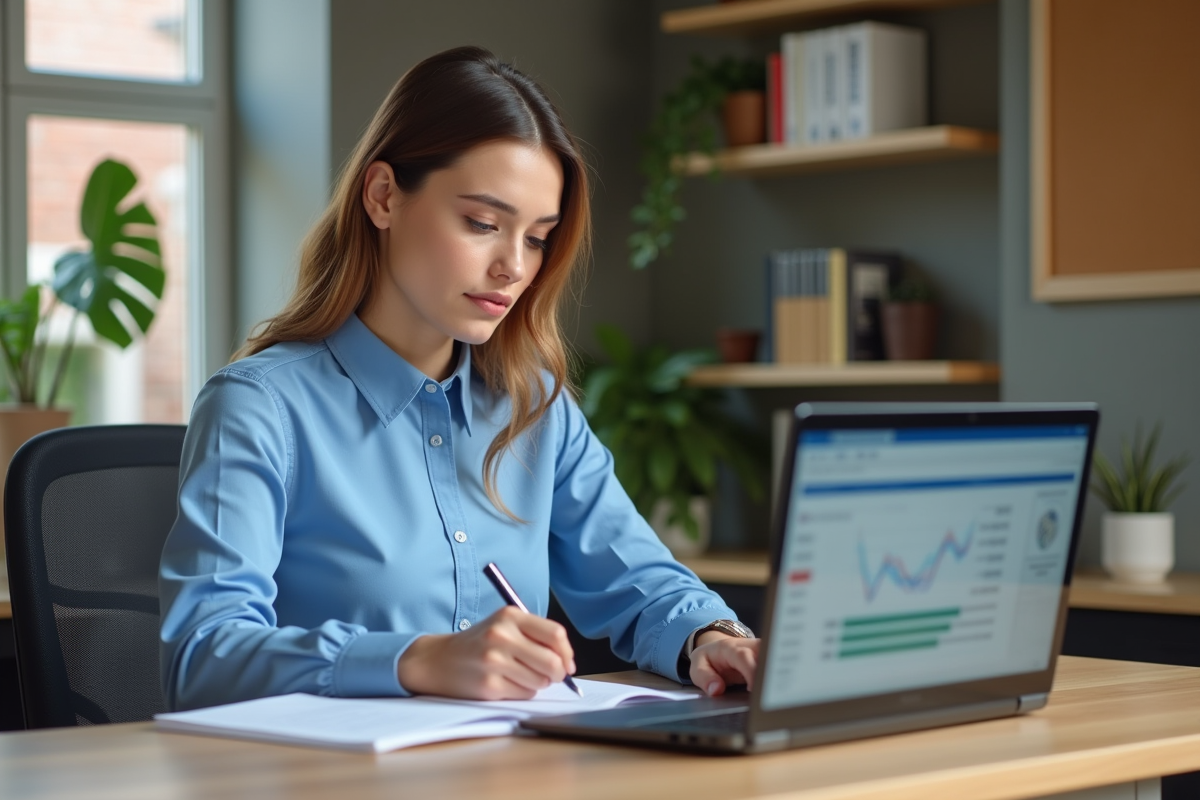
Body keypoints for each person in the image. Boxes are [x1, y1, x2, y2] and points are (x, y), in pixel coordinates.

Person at [159, 46, 759, 712]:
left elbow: (641, 583)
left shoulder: (536, 408)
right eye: (482, 223)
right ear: (384, 196)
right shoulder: (260, 407)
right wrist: (416, 659)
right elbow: (202, 655)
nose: (513, 266)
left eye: (536, 237)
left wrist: (710, 637)